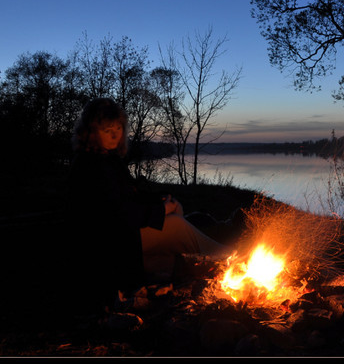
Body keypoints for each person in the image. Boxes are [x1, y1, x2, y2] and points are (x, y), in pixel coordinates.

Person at [67, 98, 227, 309]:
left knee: (176, 209)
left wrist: (160, 198)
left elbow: (128, 196)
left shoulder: (106, 159)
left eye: (118, 128)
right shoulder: (92, 165)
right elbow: (118, 214)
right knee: (176, 226)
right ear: (92, 132)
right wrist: (160, 209)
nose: (115, 134)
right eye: (107, 130)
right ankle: (229, 259)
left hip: (120, 232)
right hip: (108, 241)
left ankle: (183, 268)